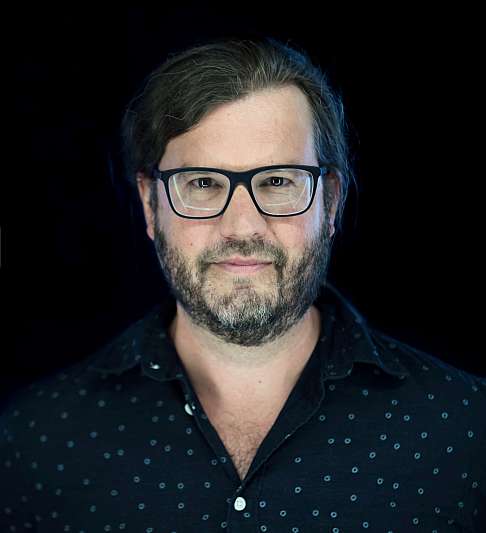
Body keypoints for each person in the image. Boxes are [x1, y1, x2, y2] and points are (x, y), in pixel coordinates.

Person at [1, 37, 485, 533]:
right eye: (202, 183)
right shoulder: (37, 440)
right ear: (150, 205)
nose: (242, 227)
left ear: (331, 203)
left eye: (277, 182)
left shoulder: (467, 430)